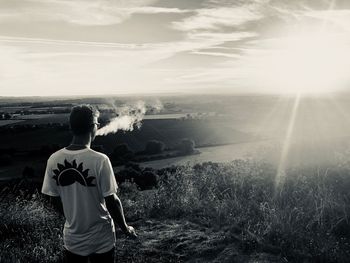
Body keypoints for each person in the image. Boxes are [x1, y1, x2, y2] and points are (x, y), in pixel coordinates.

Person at [41, 104, 137, 263]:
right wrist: (126, 228)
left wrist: (72, 216)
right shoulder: (100, 160)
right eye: (97, 124)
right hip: (102, 238)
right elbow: (112, 200)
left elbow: (52, 198)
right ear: (93, 127)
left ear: (72, 127)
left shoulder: (53, 159)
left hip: (73, 239)